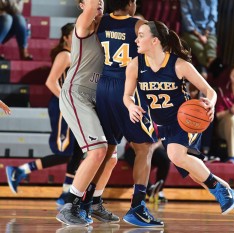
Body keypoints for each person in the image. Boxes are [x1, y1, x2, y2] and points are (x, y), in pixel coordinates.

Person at [123, 20, 234, 232]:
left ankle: (222, 192)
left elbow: (210, 91)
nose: (136, 39)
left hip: (185, 121)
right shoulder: (135, 65)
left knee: (175, 155)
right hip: (163, 127)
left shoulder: (179, 65)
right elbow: (127, 96)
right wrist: (131, 106)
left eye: (141, 35)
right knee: (199, 175)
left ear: (155, 40)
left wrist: (211, 104)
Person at [96, 0, 163, 228]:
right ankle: (137, 208)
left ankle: (88, 201)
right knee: (144, 147)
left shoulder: (100, 21)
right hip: (127, 89)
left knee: (107, 148)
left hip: (103, 86)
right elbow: (156, 54)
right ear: (131, 3)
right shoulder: (139, 25)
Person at [5, 23, 86, 208]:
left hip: (74, 107)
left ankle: (66, 194)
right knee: (63, 152)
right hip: (62, 107)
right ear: (65, 37)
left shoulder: (77, 54)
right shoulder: (64, 55)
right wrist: (68, 102)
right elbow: (51, 82)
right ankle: (19, 171)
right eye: (73, 34)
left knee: (77, 151)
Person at [56, 0, 119, 226]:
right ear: (82, 5)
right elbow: (93, 6)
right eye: (95, 0)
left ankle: (93, 201)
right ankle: (69, 204)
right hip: (77, 95)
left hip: (96, 99)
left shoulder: (109, 32)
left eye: (103, 1)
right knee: (97, 151)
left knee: (111, 156)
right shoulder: (82, 26)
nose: (99, 2)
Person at [123, 139, 170, 203]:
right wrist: (140, 149)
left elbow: (161, 138)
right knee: (135, 160)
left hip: (151, 147)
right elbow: (128, 137)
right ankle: (150, 188)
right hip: (133, 148)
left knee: (164, 159)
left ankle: (158, 191)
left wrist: (152, 148)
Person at [180, 0, 218, 78]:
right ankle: (213, 68)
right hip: (191, 32)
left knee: (211, 47)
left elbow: (213, 17)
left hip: (209, 31)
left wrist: (206, 34)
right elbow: (186, 18)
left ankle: (204, 69)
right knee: (199, 48)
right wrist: (199, 35)